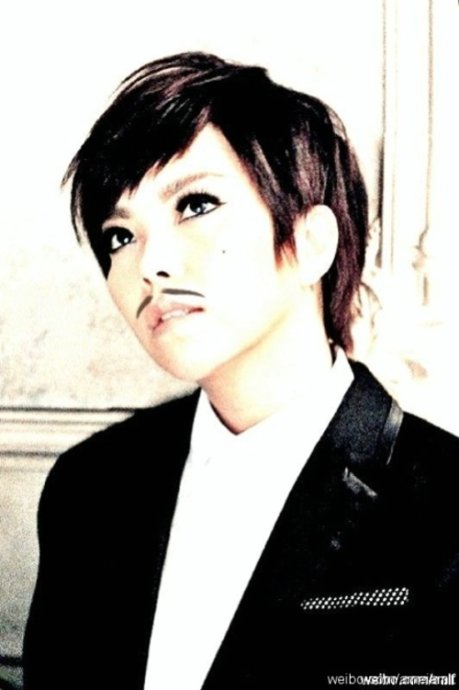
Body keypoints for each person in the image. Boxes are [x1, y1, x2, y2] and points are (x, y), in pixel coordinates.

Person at [23, 52, 459, 689]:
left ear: (311, 242)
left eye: (195, 205)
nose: (150, 264)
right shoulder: (89, 488)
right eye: (119, 235)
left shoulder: (448, 508)